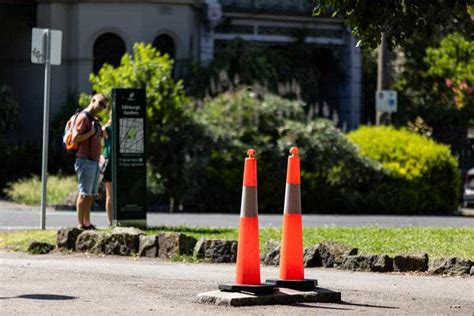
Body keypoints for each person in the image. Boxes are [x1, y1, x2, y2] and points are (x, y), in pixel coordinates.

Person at [72, 93, 108, 229]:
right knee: (84, 193)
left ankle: (87, 223)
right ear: (93, 100)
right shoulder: (83, 117)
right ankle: (81, 225)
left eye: (104, 106)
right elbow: (75, 138)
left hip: (94, 161)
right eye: (100, 103)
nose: (102, 107)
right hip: (84, 160)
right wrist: (91, 133)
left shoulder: (94, 120)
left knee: (91, 195)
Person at [100, 110, 113, 226]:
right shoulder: (107, 129)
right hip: (110, 160)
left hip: (120, 161)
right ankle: (110, 221)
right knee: (110, 193)